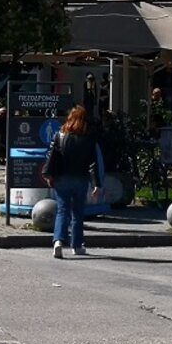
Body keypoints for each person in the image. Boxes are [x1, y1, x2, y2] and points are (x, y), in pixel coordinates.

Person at [45, 105, 103, 259]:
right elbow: (93, 163)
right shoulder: (88, 137)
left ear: (70, 118)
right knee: (77, 212)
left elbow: (52, 156)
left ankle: (58, 241)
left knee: (62, 210)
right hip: (80, 179)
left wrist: (49, 175)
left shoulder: (60, 135)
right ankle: (77, 245)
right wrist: (97, 184)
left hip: (62, 178)